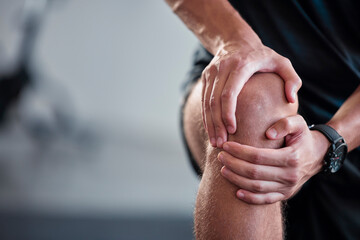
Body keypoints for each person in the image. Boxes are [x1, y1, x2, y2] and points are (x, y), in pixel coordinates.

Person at [165, 0, 360, 239]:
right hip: (233, 70)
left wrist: (329, 142)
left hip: (351, 123)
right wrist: (235, 42)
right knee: (253, 102)